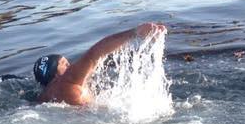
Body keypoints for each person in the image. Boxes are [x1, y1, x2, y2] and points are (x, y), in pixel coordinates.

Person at [32, 22, 167, 105]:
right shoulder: (68, 80)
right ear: (55, 75)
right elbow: (95, 54)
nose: (71, 66)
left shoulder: (43, 97)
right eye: (65, 64)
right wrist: (134, 32)